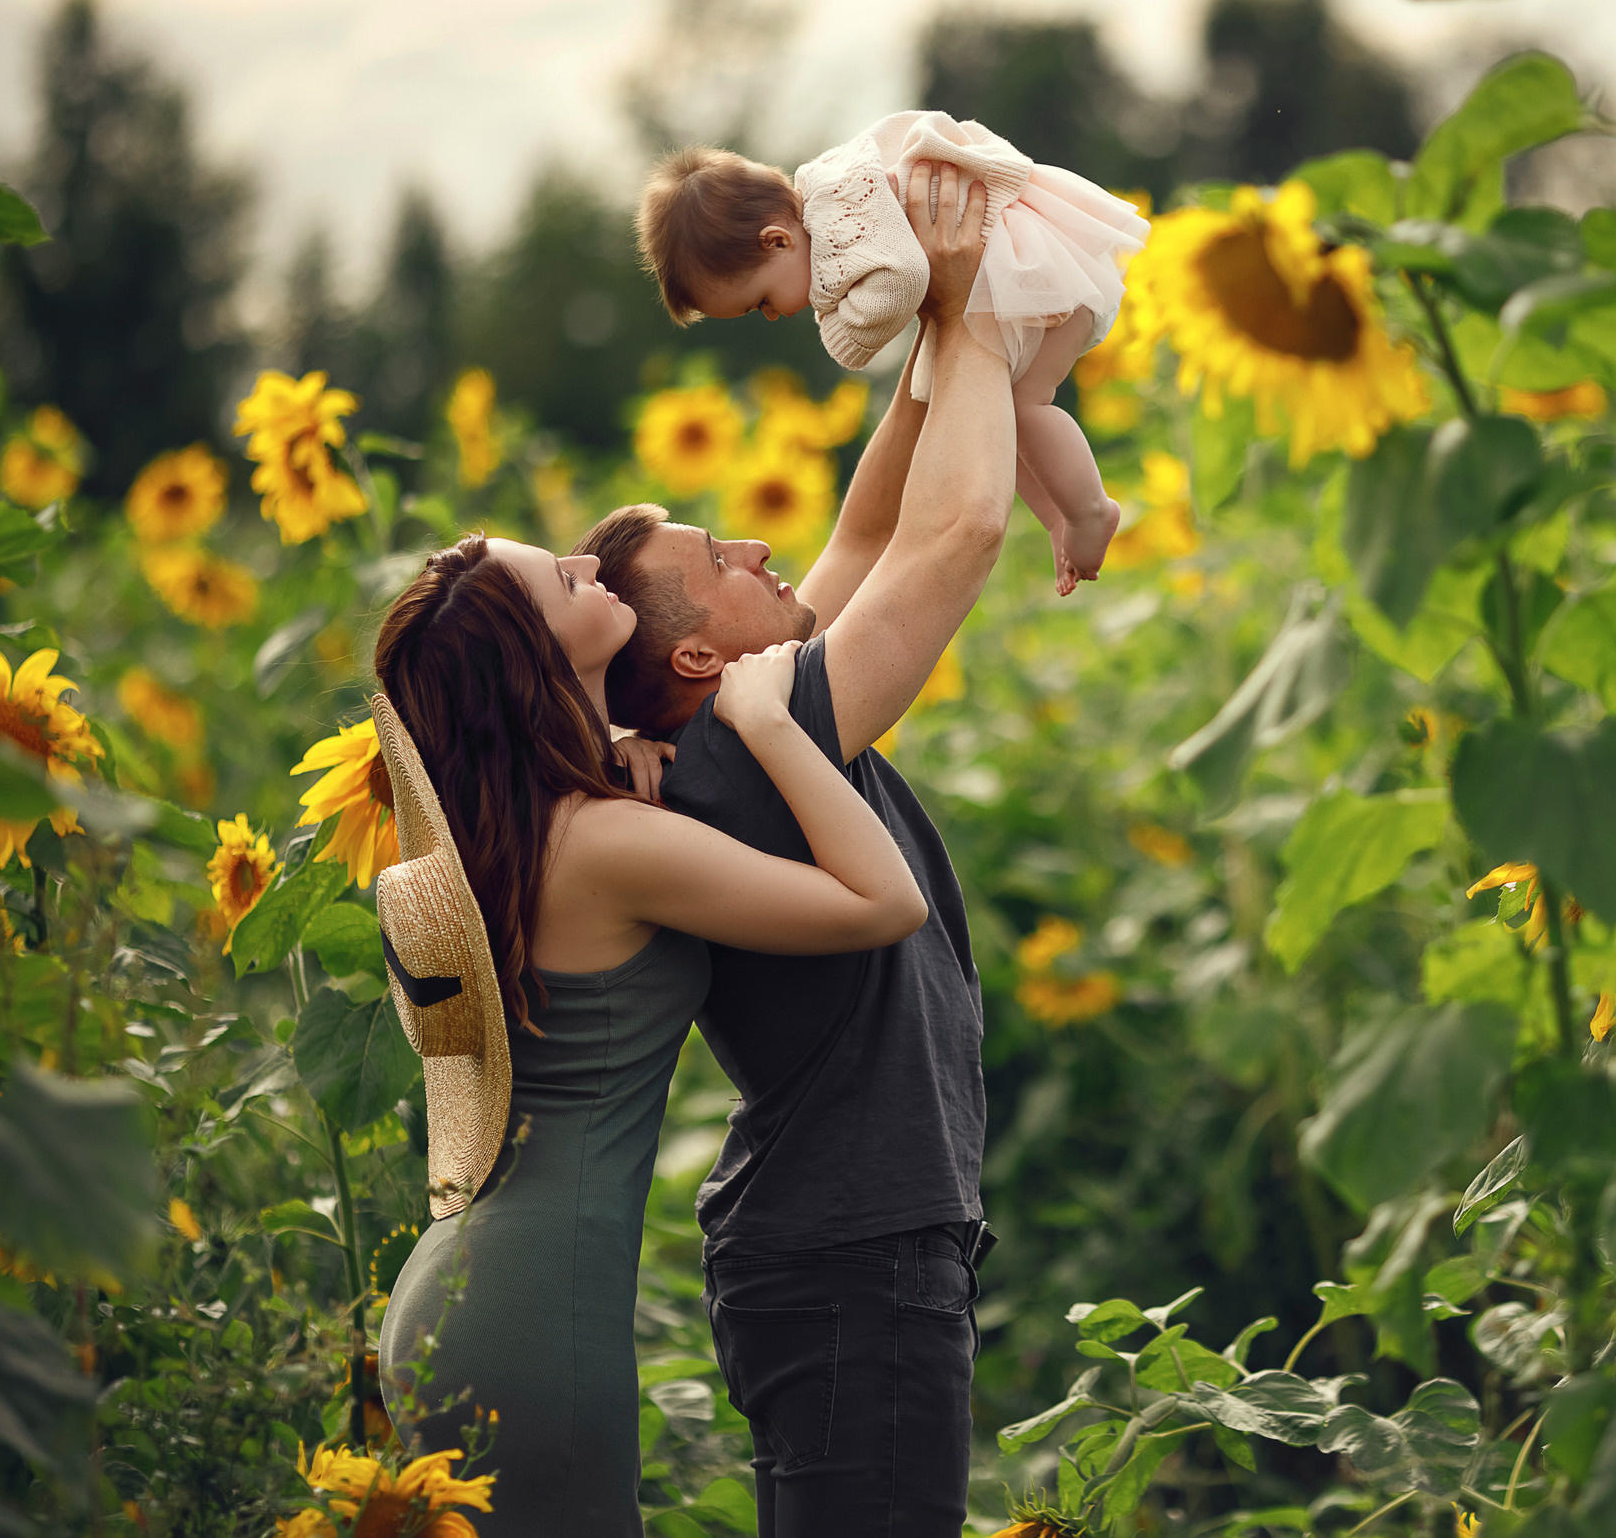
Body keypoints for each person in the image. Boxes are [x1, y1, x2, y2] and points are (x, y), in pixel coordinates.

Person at [575, 159, 1009, 1536]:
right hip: (850, 1259)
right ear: (700, 649)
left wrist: (938, 323)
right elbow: (958, 531)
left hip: (841, 1244)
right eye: (725, 557)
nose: (769, 545)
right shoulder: (758, 745)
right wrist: (971, 311)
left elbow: (870, 521)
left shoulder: (749, 712)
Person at [368, 531, 929, 1537]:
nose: (588, 563)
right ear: (536, 656)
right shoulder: (606, 838)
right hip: (529, 1310)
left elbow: (860, 532)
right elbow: (883, 903)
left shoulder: (535, 825)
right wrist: (766, 725)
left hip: (457, 1286)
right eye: (564, 580)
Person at [636, 110, 1144, 594]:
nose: (772, 314)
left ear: (777, 241)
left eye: (760, 302)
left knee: (1027, 404)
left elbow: (903, 281)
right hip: (1005, 268)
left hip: (1026, 265)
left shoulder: (836, 220)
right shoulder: (828, 188)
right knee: (1001, 413)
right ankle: (1060, 516)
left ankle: (1090, 511)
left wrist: (838, 328)